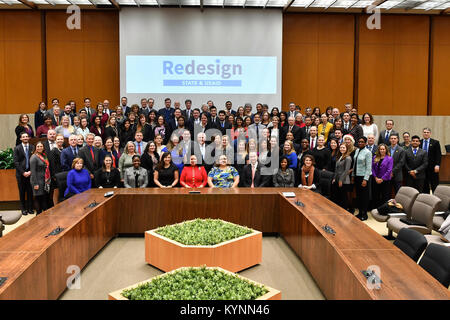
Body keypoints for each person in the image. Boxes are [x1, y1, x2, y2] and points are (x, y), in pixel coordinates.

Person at [14, 132, 35, 215]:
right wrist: (23, 172)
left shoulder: (32, 147)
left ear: (28, 138)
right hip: (21, 174)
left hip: (30, 173)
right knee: (22, 192)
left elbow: (34, 160)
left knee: (30, 192)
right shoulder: (17, 148)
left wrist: (30, 171)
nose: (25, 138)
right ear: (21, 139)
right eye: (24, 137)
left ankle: (30, 208)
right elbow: (16, 162)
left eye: (27, 136)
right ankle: (23, 209)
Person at [352, 136, 372, 221]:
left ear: (366, 143)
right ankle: (360, 212)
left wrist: (365, 179)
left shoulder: (368, 152)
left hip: (364, 177)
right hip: (357, 176)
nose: (360, 143)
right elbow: (354, 164)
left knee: (364, 196)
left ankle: (364, 214)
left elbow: (369, 167)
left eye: (362, 142)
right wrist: (353, 175)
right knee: (359, 196)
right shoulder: (357, 150)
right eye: (359, 142)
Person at [30, 142, 51, 214]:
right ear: (35, 148)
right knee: (38, 198)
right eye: (38, 146)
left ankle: (43, 214)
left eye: (41, 146)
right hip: (37, 180)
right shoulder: (34, 157)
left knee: (43, 198)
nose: (39, 148)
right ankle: (38, 214)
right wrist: (35, 184)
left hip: (44, 180)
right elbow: (33, 171)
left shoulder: (44, 156)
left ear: (43, 147)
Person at [371, 143, 393, 209]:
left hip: (385, 180)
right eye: (381, 149)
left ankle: (383, 210)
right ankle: (376, 209)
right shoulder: (375, 157)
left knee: (385, 196)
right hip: (375, 179)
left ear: (386, 150)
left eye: (383, 149)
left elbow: (389, 170)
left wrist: (382, 179)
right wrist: (375, 178)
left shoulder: (390, 158)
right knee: (376, 195)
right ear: (379, 150)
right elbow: (372, 168)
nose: (382, 150)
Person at [421, 127, 441, 194]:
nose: (426, 133)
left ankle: (436, 200)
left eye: (427, 132)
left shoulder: (435, 142)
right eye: (424, 132)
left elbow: (438, 155)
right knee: (424, 184)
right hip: (423, 168)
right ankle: (426, 200)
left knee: (434, 184)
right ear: (422, 133)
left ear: (430, 133)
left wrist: (437, 165)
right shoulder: (419, 142)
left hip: (433, 167)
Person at [332, 143, 352, 211]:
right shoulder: (340, 156)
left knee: (344, 197)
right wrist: (334, 178)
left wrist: (341, 180)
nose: (342, 149)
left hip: (344, 181)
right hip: (337, 179)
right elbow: (336, 169)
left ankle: (344, 211)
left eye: (343, 148)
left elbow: (346, 170)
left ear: (346, 149)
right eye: (341, 148)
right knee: (339, 197)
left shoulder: (348, 158)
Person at [49, 134, 65, 205]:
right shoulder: (53, 151)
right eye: (58, 139)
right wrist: (54, 176)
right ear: (55, 141)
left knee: (62, 191)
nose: (60, 141)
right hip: (57, 175)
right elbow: (52, 164)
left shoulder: (64, 149)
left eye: (61, 139)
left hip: (63, 174)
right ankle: (56, 206)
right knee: (56, 190)